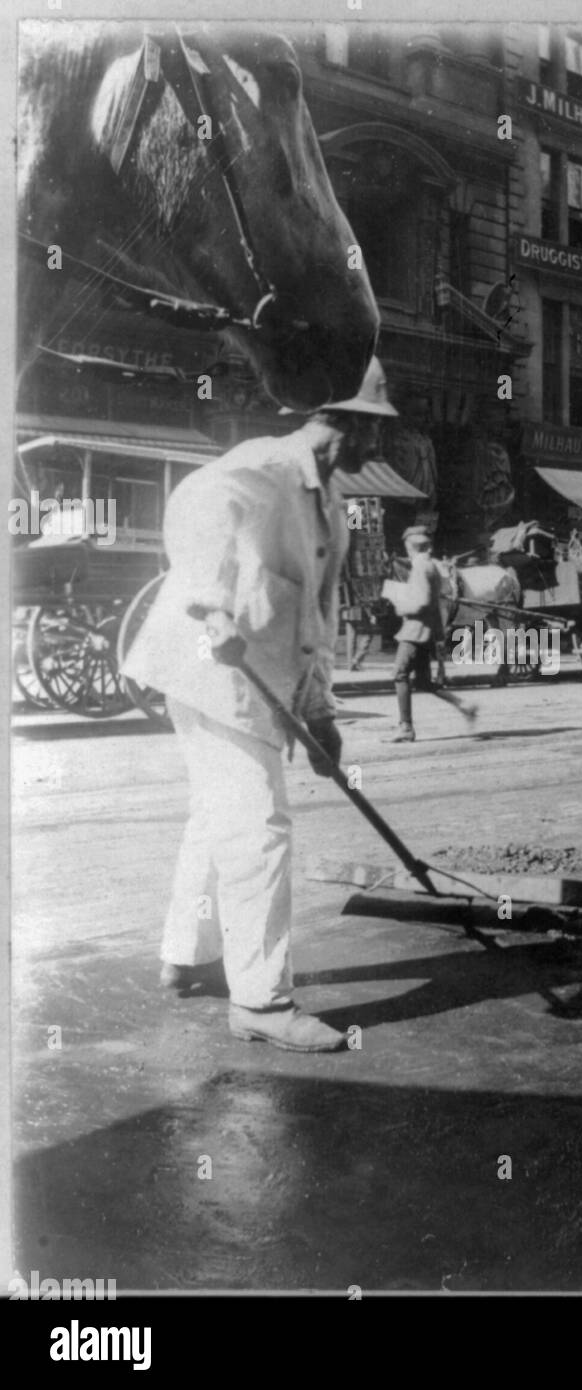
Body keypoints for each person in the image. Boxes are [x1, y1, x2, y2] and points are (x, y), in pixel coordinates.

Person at [121, 357, 398, 1053]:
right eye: (374, 431)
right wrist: (211, 602)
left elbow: (315, 623)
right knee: (258, 828)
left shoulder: (330, 505)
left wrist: (323, 714)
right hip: (208, 670)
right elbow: (197, 502)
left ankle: (185, 957)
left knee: (217, 817)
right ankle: (262, 1004)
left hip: (251, 683)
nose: (379, 448)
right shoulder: (269, 464)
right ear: (343, 425)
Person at [389, 526, 477, 743]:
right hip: (426, 631)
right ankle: (463, 705)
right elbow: (434, 605)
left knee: (400, 674)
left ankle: (406, 728)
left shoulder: (420, 567)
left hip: (415, 631)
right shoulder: (432, 566)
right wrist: (438, 636)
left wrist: (399, 606)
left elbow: (421, 602)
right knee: (423, 682)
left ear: (410, 546)